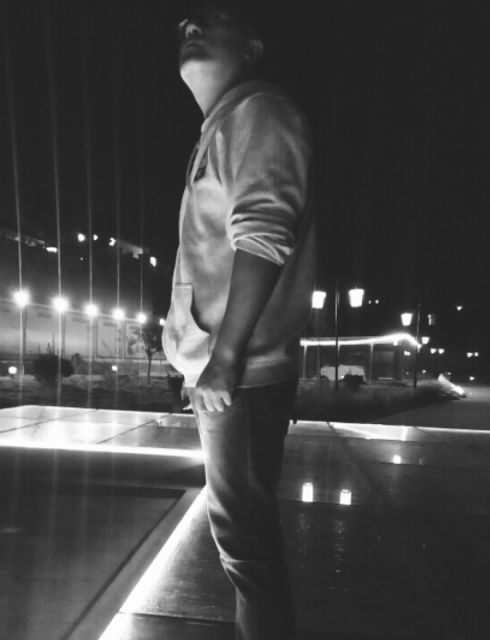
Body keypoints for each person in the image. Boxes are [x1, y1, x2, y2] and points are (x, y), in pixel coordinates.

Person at [162, 2, 316, 638]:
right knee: (242, 544)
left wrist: (223, 359)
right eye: (186, 22)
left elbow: (263, 237)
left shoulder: (258, 111)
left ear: (253, 46)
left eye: (214, 17)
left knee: (246, 547)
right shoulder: (226, 123)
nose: (191, 26)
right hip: (230, 372)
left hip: (242, 373)